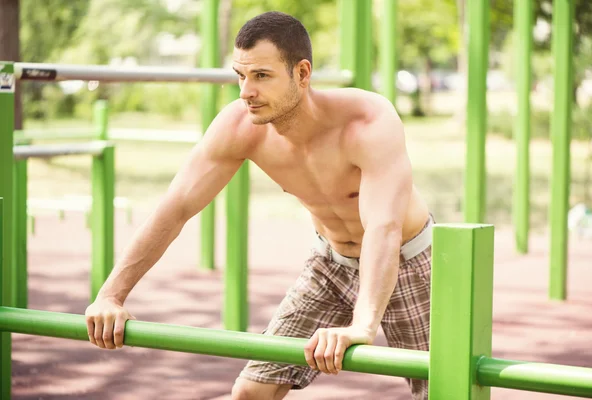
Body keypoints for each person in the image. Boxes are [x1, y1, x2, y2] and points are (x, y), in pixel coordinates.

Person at [85, 11, 433, 400]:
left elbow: (383, 227)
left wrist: (363, 325)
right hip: (331, 263)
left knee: (442, 390)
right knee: (250, 393)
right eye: (240, 75)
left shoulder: (367, 121)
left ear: (302, 74)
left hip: (407, 261)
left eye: (261, 76)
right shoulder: (240, 127)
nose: (245, 91)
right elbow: (175, 208)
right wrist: (111, 295)